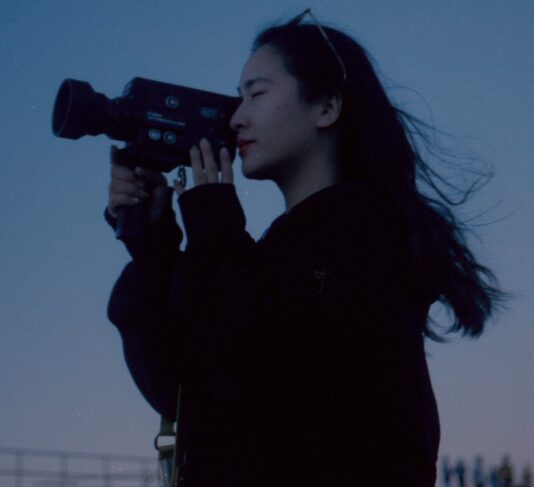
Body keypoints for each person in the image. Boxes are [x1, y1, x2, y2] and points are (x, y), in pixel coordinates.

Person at [105, 10, 503, 487]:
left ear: (327, 108)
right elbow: (187, 391)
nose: (236, 117)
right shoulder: (283, 251)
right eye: (238, 98)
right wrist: (154, 247)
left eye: (256, 93)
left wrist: (214, 228)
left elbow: (254, 365)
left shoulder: (365, 238)